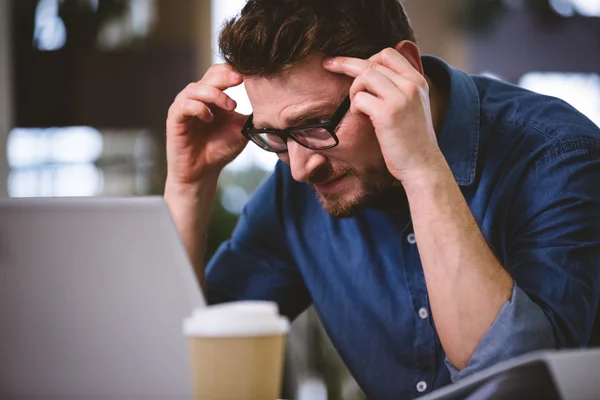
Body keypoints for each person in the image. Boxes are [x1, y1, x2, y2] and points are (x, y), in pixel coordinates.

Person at [164, 0, 600, 398]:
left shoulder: (558, 154)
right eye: (274, 136)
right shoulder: (297, 188)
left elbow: (517, 383)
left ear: (403, 71)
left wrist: (422, 167)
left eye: (316, 124)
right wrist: (188, 187)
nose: (299, 167)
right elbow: (187, 355)